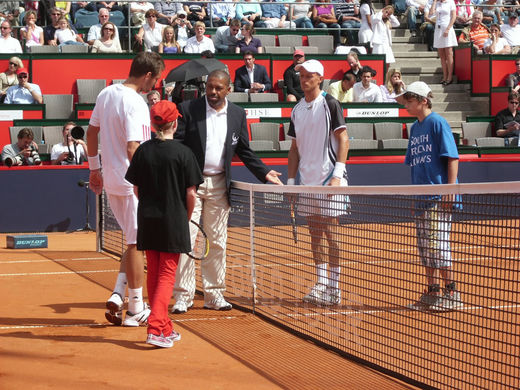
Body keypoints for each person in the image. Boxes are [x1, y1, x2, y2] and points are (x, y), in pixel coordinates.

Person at [171, 70, 283, 314]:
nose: (213, 92)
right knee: (187, 240)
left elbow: (244, 149)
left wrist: (264, 172)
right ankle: (183, 296)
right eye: (210, 87)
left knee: (218, 242)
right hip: (191, 184)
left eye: (218, 88)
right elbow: (177, 145)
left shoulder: (237, 114)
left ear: (228, 89)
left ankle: (214, 294)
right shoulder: (189, 109)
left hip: (221, 185)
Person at [86, 52, 165, 327]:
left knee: (132, 239)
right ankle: (136, 309)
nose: (155, 85)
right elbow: (134, 148)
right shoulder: (136, 102)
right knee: (136, 244)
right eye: (155, 79)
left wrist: (94, 169)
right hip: (132, 183)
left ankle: (119, 295)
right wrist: (145, 183)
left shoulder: (106, 93)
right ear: (147, 75)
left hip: (112, 180)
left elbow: (91, 132)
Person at [125, 100, 203, 348]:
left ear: (152, 124)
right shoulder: (184, 153)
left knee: (156, 272)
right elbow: (191, 194)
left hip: (148, 219)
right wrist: (185, 217)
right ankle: (157, 327)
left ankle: (165, 325)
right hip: (173, 220)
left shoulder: (143, 151)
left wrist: (151, 206)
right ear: (175, 122)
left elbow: (136, 189)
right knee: (167, 275)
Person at [286, 59, 349, 306]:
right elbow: (293, 149)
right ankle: (321, 282)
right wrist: (291, 182)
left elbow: (343, 140)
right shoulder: (296, 109)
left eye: (308, 75)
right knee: (314, 235)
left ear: (320, 78)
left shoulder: (330, 104)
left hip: (329, 179)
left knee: (332, 233)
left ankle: (334, 287)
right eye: (301, 76)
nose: (303, 80)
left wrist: (337, 175)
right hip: (307, 183)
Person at [399, 81, 462, 311]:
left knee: (439, 246)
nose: (406, 104)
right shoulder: (415, 128)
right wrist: (416, 199)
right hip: (423, 198)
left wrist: (449, 190)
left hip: (438, 196)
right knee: (425, 248)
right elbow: (414, 166)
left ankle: (452, 292)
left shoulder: (437, 122)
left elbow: (452, 157)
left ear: (423, 100)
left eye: (410, 100)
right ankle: (432, 292)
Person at [427, 0, 457, 86]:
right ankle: (444, 76)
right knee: (442, 55)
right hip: (438, 29)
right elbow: (431, 13)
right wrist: (435, 2)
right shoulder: (437, 3)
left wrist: (448, 29)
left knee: (449, 54)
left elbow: (454, 16)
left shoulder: (450, 2)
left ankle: (450, 77)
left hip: (447, 29)